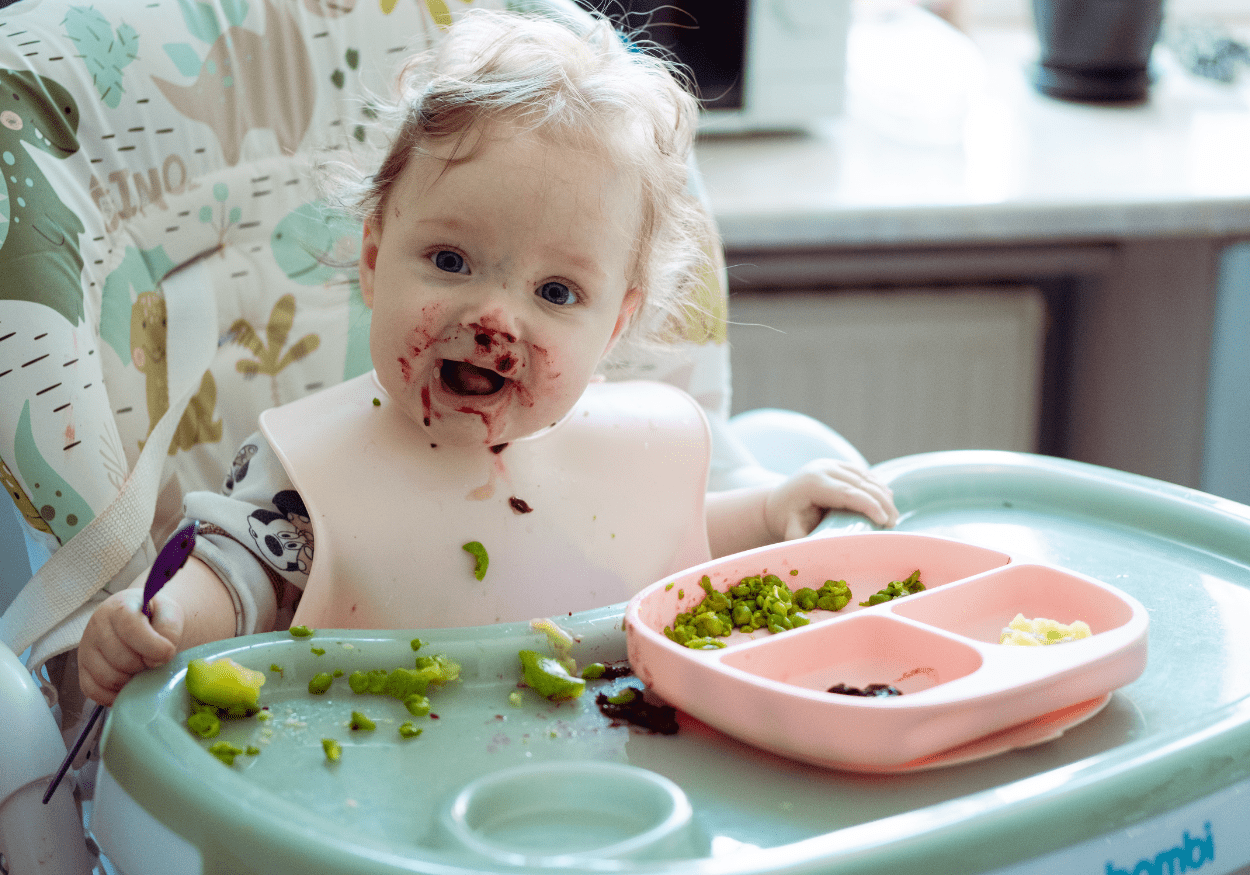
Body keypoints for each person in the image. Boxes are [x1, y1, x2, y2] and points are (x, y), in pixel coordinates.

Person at [77, 8, 897, 706]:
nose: (495, 317)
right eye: (451, 262)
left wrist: (771, 513)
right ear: (373, 258)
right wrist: (168, 619)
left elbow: (656, 534)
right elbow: (240, 574)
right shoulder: (314, 478)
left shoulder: (620, 451)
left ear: (616, 327)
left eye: (557, 293)